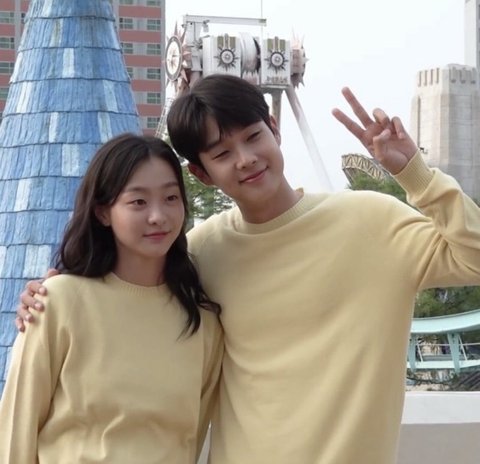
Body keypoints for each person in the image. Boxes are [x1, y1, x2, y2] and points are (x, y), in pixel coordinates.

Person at [16, 75, 480, 464]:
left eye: (254, 136)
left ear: (275, 129)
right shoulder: (202, 251)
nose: (246, 159)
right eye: (221, 154)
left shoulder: (373, 222)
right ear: (201, 174)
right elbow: (130, 300)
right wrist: (57, 290)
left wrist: (415, 174)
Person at [1, 133, 223, 463]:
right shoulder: (58, 302)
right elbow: (16, 431)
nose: (158, 216)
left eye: (171, 198)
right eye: (138, 202)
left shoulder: (201, 320)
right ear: (103, 212)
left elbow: (192, 439)